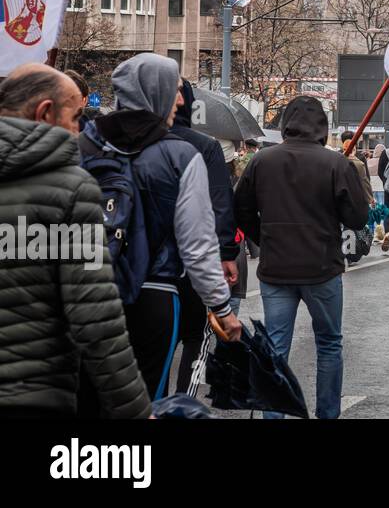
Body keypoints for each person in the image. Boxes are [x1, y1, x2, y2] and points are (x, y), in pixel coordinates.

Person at [80, 54, 238, 402]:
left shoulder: (85, 146)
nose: (181, 101)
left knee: (91, 401)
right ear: (156, 92)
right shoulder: (181, 155)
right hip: (155, 293)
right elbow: (197, 244)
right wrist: (221, 308)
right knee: (147, 398)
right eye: (177, 91)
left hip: (89, 292)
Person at [0, 65, 152, 418]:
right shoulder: (72, 190)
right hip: (32, 393)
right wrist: (135, 411)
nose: (79, 128)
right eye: (75, 116)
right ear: (44, 113)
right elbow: (95, 317)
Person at [234, 95, 369, 419]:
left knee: (276, 349)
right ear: (322, 126)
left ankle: (274, 415)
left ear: (285, 124)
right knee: (329, 344)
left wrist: (265, 237)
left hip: (276, 267)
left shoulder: (262, 161)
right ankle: (327, 413)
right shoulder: (336, 163)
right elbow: (357, 219)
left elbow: (241, 209)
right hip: (322, 267)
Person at [170, 79, 241, 395]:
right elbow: (219, 203)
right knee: (195, 337)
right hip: (192, 263)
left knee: (152, 344)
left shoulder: (129, 142)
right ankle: (183, 403)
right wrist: (227, 253)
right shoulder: (204, 146)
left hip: (145, 265)